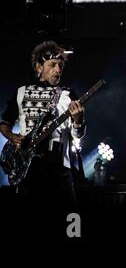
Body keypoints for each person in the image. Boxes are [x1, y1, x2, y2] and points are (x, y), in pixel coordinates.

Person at [0, 40, 86, 241]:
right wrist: (13, 137)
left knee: (71, 222)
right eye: (52, 65)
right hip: (29, 170)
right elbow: (4, 122)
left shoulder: (68, 95)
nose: (58, 70)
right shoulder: (21, 92)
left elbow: (77, 135)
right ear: (39, 67)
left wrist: (78, 122)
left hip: (59, 168)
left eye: (60, 66)